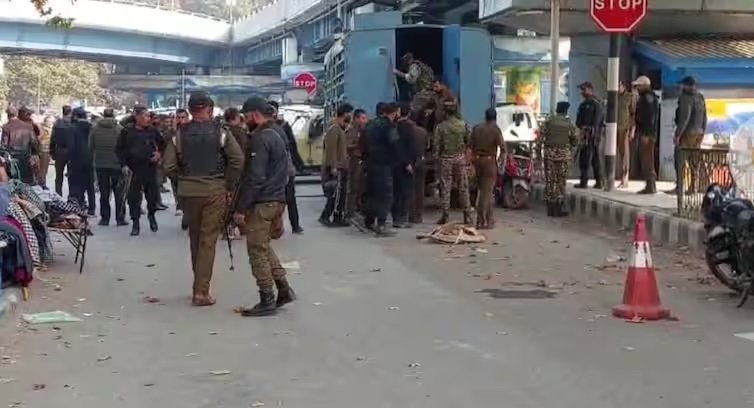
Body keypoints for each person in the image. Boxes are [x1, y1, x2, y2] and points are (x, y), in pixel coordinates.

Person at [164, 92, 243, 306]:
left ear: (190, 110)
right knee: (208, 241)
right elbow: (237, 160)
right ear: (209, 109)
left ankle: (198, 283)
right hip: (214, 191)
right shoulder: (222, 133)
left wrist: (182, 182)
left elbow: (168, 166)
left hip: (189, 192)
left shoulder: (178, 135)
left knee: (195, 238)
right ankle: (201, 291)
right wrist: (228, 184)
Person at [233, 97, 294, 317]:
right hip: (276, 198)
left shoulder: (260, 138)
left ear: (256, 115)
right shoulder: (278, 133)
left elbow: (255, 177)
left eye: (246, 117)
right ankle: (284, 289)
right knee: (264, 246)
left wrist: (241, 208)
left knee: (256, 251)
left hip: (263, 201)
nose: (245, 122)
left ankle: (267, 298)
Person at [116, 105, 164, 235]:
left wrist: (159, 154)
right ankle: (135, 222)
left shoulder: (152, 131)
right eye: (145, 116)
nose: (148, 118)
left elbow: (162, 144)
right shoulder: (127, 132)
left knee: (152, 196)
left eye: (149, 116)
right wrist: (123, 165)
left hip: (149, 168)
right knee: (133, 198)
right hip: (133, 169)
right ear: (137, 117)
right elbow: (119, 149)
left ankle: (151, 215)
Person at [362, 102, 401, 236]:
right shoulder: (389, 126)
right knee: (385, 196)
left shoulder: (370, 124)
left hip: (369, 164)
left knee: (372, 194)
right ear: (394, 112)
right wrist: (399, 161)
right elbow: (395, 145)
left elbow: (362, 144)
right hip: (384, 165)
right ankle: (381, 225)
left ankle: (369, 221)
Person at [433, 98, 472, 225]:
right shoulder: (463, 124)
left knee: (446, 187)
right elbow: (469, 141)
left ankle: (445, 215)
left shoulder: (440, 127)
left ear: (445, 112)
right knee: (463, 187)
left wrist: (436, 159)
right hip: (460, 158)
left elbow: (436, 146)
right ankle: (467, 215)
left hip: (446, 159)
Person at [269, 100, 305, 234]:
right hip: (270, 168)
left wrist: (297, 164)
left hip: (285, 166)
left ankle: (295, 225)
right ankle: (274, 227)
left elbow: (292, 146)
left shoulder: (284, 125)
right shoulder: (261, 126)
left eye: (273, 110)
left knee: (290, 197)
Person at [669, 76, 707, 195]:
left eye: (682, 85)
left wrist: (677, 135)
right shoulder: (700, 97)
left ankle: (679, 187)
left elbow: (685, 117)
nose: (681, 87)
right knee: (694, 161)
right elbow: (705, 117)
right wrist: (702, 132)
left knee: (679, 160)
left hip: (687, 133)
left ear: (686, 85)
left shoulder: (685, 97)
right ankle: (693, 188)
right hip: (698, 133)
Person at [91, 108, 128, 226]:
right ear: (114, 115)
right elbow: (125, 147)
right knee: (119, 193)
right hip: (117, 165)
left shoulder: (95, 129)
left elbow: (90, 146)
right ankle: (120, 218)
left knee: (104, 193)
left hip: (100, 164)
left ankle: (105, 218)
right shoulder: (120, 129)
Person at [469, 108, 506, 229]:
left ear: (485, 117)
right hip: (489, 162)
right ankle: (482, 220)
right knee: (487, 192)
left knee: (482, 191)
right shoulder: (495, 129)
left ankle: (488, 220)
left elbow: (470, 147)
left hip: (476, 161)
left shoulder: (476, 128)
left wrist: (471, 163)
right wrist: (500, 163)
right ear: (495, 118)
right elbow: (503, 149)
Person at [542, 102, 579, 217]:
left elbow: (540, 136)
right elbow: (575, 140)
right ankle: (559, 206)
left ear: (557, 109)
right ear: (566, 111)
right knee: (561, 181)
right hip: (563, 155)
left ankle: (550, 208)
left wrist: (538, 154)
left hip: (549, 154)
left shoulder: (549, 121)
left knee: (550, 181)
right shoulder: (569, 123)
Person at [320, 103, 353, 226]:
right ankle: (325, 216)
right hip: (336, 167)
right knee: (335, 195)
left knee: (340, 194)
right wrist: (333, 166)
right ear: (344, 114)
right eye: (349, 114)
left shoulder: (340, 129)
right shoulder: (334, 129)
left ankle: (338, 217)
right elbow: (331, 149)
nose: (351, 116)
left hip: (341, 166)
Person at [633, 76, 660, 195]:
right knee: (647, 159)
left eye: (638, 86)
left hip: (647, 134)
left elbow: (649, 118)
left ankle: (650, 186)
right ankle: (650, 185)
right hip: (648, 133)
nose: (637, 88)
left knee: (647, 160)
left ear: (645, 85)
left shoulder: (646, 98)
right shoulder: (651, 97)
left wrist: (646, 134)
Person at [575, 81, 604, 189]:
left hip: (593, 135)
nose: (582, 92)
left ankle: (589, 182)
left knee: (588, 158)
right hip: (585, 135)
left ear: (590, 90)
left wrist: (591, 131)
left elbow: (598, 120)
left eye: (584, 89)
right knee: (589, 158)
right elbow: (578, 122)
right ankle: (596, 181)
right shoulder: (583, 105)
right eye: (581, 90)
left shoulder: (596, 104)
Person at [67, 108, 96, 215]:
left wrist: (70, 159)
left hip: (77, 159)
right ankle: (92, 208)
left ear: (75, 116)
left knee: (77, 184)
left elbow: (71, 146)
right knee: (90, 184)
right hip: (90, 159)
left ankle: (80, 204)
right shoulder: (92, 127)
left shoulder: (73, 128)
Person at [392, 103, 416, 228]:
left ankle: (396, 218)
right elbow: (409, 147)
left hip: (395, 164)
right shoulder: (409, 127)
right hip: (405, 165)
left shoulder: (393, 126)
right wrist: (408, 163)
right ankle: (402, 218)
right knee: (405, 192)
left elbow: (395, 146)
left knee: (396, 192)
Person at [2, 107, 39, 185]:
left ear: (7, 115)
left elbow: (4, 145)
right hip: (26, 158)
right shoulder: (28, 126)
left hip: (12, 161)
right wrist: (35, 153)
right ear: (17, 114)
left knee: (14, 184)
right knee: (27, 183)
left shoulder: (6, 127)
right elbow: (34, 142)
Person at [345, 108, 368, 219]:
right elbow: (347, 145)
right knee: (353, 188)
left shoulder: (361, 130)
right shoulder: (352, 130)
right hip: (354, 161)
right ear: (356, 119)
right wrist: (359, 144)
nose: (365, 120)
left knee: (361, 187)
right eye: (363, 118)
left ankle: (358, 208)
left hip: (360, 160)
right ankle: (350, 212)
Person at [409, 110, 429, 224]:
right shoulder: (423, 132)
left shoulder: (407, 131)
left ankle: (411, 214)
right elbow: (427, 147)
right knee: (420, 188)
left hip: (410, 161)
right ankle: (419, 215)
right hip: (421, 161)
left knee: (411, 188)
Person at [617, 81, 637, 188]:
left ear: (623, 86)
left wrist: (632, 129)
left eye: (618, 86)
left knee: (625, 154)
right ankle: (621, 178)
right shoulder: (614, 97)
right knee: (620, 153)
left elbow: (633, 115)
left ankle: (625, 178)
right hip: (615, 129)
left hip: (625, 129)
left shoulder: (629, 97)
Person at [51, 105, 73, 195]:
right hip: (71, 152)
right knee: (71, 176)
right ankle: (71, 196)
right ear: (70, 112)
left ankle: (58, 194)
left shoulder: (57, 123)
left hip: (59, 150)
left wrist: (52, 152)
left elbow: (53, 138)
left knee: (58, 175)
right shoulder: (73, 123)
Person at [37, 116, 54, 188]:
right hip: (43, 151)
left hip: (47, 151)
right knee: (43, 169)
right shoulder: (42, 129)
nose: (51, 123)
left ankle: (41, 182)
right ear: (45, 122)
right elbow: (38, 139)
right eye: (49, 122)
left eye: (52, 122)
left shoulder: (49, 129)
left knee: (44, 169)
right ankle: (42, 183)